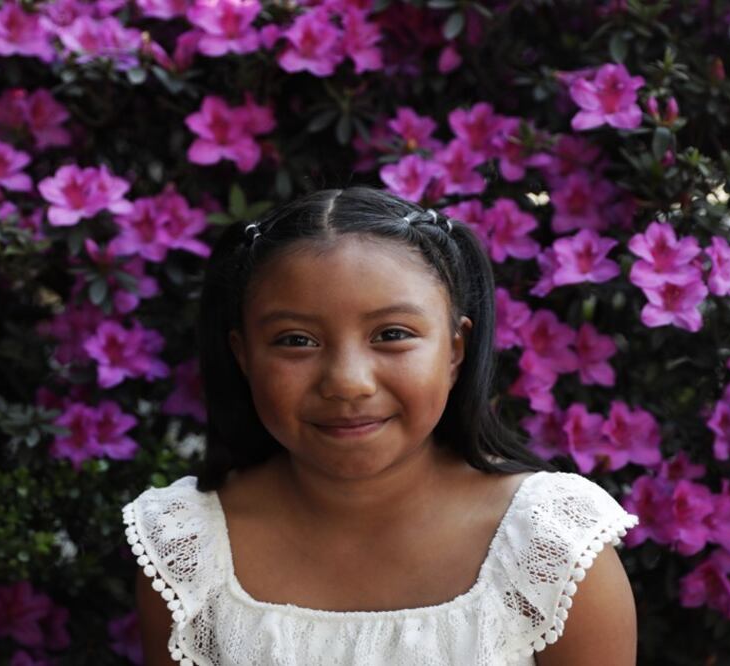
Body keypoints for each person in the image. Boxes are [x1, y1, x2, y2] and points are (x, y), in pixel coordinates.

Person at [123, 186, 639, 665]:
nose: (348, 382)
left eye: (392, 333)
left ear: (455, 350)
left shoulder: (550, 548)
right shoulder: (188, 554)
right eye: (296, 340)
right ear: (242, 355)